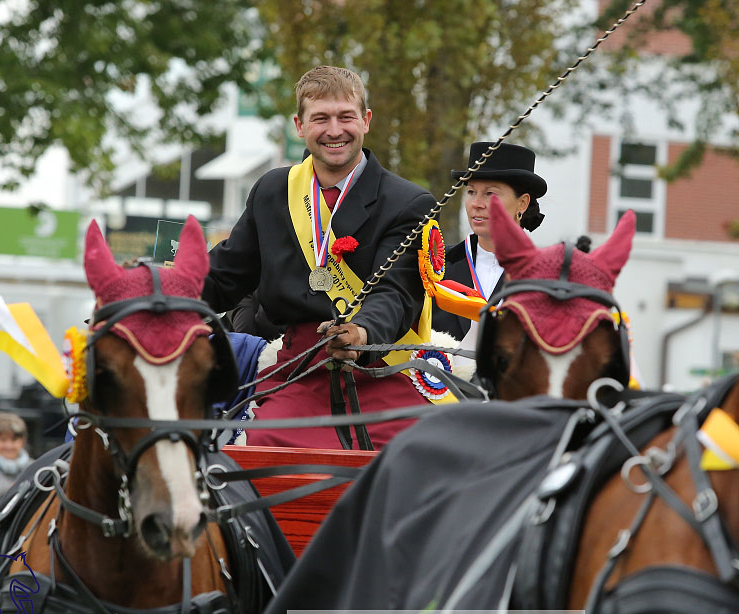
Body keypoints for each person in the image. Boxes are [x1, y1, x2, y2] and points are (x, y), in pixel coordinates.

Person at [203, 65, 437, 449]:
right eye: (320, 118)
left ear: (366, 120)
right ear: (299, 125)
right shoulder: (273, 189)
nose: (334, 130)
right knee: (262, 455)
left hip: (379, 369)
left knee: (417, 459)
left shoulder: (408, 202)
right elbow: (226, 275)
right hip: (298, 370)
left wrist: (361, 332)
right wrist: (156, 298)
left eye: (346, 116)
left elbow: (396, 293)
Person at [432, 141, 547, 343]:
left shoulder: (547, 279)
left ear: (522, 203)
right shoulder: (437, 266)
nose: (476, 204)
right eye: (471, 192)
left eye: (490, 194)